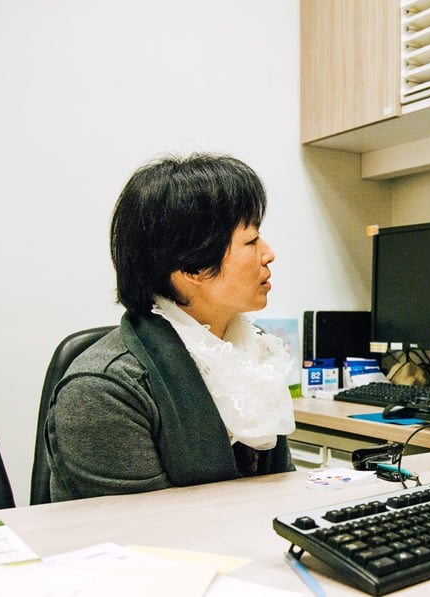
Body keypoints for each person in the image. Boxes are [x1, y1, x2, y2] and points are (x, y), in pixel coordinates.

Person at [46, 153, 296, 501]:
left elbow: (278, 491)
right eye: (251, 242)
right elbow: (146, 537)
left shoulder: (253, 356)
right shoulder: (103, 389)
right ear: (192, 268)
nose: (269, 253)